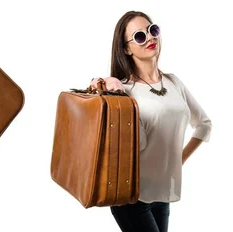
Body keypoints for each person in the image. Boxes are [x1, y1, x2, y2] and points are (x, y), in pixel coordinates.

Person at [90, 11, 212, 232]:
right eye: (139, 36)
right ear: (126, 48)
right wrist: (114, 92)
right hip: (132, 197)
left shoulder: (174, 83)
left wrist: (178, 161)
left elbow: (204, 124)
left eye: (152, 30)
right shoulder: (123, 90)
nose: (150, 38)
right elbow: (136, 145)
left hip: (162, 193)